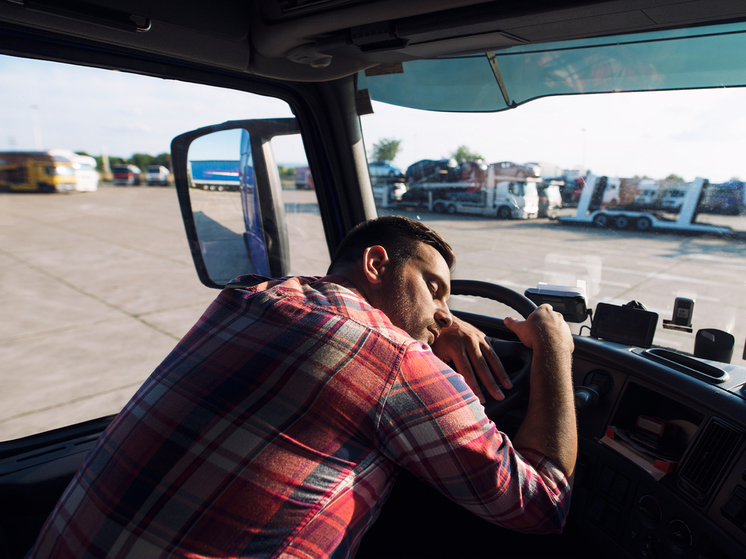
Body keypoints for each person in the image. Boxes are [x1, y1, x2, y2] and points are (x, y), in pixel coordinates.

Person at [28, 215, 576, 559]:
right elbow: (541, 504)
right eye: (434, 289)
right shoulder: (394, 360)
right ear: (376, 262)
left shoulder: (247, 299)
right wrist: (553, 346)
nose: (441, 314)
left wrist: (437, 319)